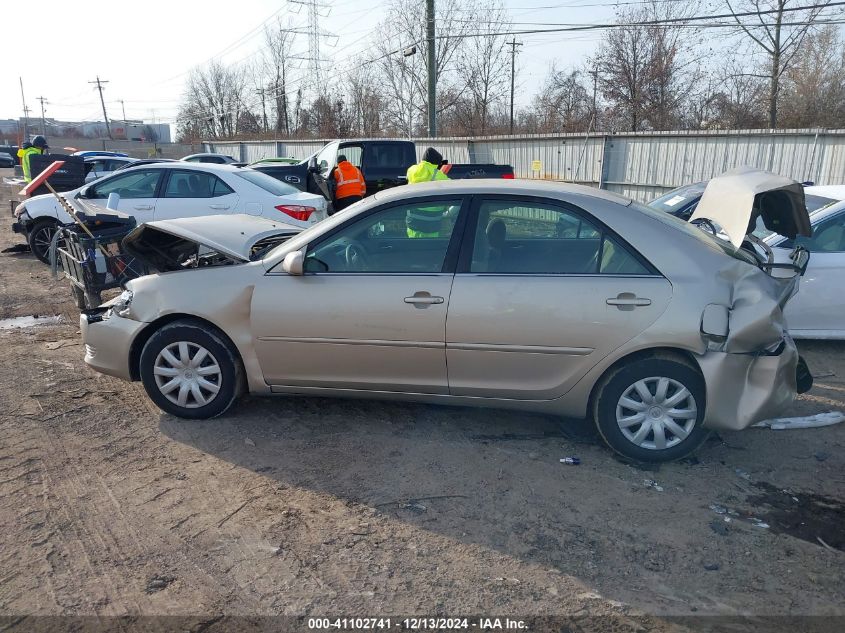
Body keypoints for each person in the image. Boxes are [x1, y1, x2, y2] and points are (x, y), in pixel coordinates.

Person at [405, 147, 450, 237]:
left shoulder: (411, 170)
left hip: (413, 218)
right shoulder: (437, 174)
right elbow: (453, 188)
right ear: (435, 162)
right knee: (429, 248)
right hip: (431, 221)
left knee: (412, 247)